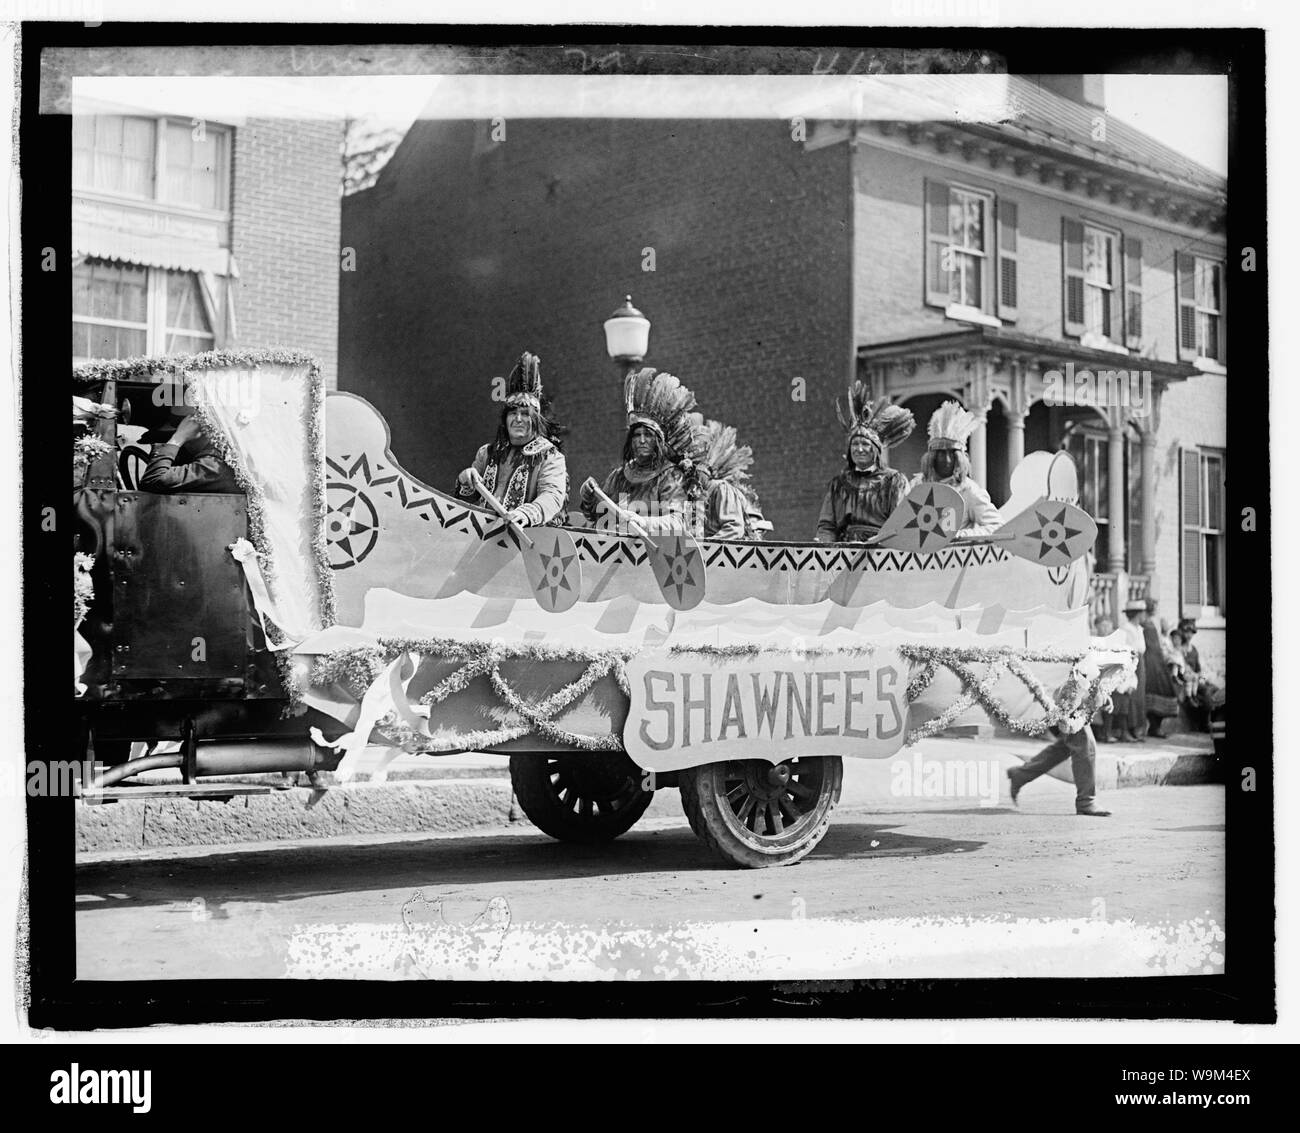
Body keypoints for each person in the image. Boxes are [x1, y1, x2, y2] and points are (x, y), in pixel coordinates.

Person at [580, 367, 708, 537]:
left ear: (658, 441)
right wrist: (588, 497)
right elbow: (598, 519)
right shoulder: (618, 476)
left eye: (648, 435)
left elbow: (679, 522)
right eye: (636, 435)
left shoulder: (671, 476)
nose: (641, 440)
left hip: (657, 557)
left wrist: (642, 522)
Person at [455, 352, 569, 527]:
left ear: (535, 420)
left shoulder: (549, 456)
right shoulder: (487, 453)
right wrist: (465, 479)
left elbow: (552, 495)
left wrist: (527, 513)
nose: (518, 419)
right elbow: (466, 500)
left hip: (523, 542)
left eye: (525, 414)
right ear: (505, 419)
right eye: (512, 413)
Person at [814, 382, 915, 543]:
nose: (859, 449)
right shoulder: (838, 485)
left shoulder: (894, 482)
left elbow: (902, 523)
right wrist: (826, 547)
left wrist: (875, 543)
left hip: (882, 555)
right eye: (855, 444)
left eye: (865, 444)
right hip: (843, 554)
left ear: (876, 450)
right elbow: (827, 526)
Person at [913, 400, 1002, 534]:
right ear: (933, 456)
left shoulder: (968, 490)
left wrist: (960, 536)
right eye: (941, 453)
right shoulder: (916, 485)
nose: (947, 460)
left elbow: (997, 525)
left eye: (952, 454)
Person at [692, 414, 772, 540]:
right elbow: (692, 538)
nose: (690, 474)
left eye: (695, 467)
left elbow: (734, 529)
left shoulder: (721, 489)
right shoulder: (691, 497)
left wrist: (705, 546)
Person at [1007, 724, 1111, 816]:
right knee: (1083, 741)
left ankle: (1021, 774)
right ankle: (1086, 801)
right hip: (1071, 703)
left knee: (1069, 743)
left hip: (1074, 703)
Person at [139, 408, 240, 494]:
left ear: (198, 429)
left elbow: (154, 479)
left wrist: (178, 438)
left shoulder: (213, 464)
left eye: (182, 429)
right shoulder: (218, 457)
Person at [1109, 599, 1148, 742]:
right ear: (1137, 614)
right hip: (1131, 663)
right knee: (1129, 695)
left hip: (1140, 664)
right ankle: (1124, 730)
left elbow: (1142, 649)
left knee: (1139, 697)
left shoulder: (1139, 629)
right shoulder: (1126, 629)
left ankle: (1136, 729)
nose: (1144, 615)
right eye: (1143, 613)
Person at [1142, 597, 1181, 737]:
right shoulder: (1146, 624)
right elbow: (1150, 646)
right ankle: (1153, 726)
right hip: (1150, 661)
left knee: (1164, 690)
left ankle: (1155, 726)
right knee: (1154, 690)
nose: (1155, 609)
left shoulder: (1153, 623)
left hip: (1157, 660)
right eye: (1154, 606)